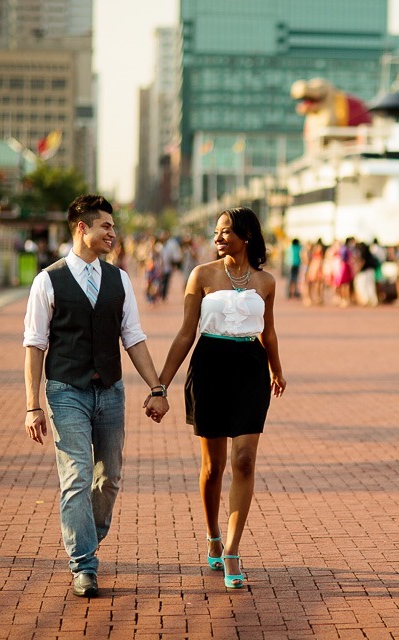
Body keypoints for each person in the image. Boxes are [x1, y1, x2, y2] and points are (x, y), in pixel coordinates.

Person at [22, 194, 170, 599]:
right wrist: (32, 405)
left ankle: (85, 534)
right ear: (82, 228)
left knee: (109, 479)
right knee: (76, 479)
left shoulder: (119, 278)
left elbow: (134, 338)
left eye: (113, 227)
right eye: (106, 226)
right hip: (65, 390)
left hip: (110, 392)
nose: (113, 233)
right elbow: (35, 345)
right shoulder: (47, 280)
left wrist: (157, 387)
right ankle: (84, 564)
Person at [157, 207, 286, 590]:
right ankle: (213, 532)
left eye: (226, 231)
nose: (219, 237)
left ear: (246, 235)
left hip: (251, 369)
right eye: (216, 231)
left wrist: (277, 370)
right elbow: (185, 334)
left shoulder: (266, 281)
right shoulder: (201, 275)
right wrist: (160, 384)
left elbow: (270, 332)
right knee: (213, 468)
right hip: (209, 366)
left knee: (243, 459)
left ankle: (231, 549)